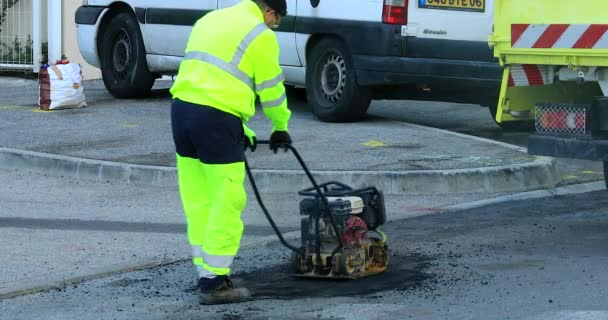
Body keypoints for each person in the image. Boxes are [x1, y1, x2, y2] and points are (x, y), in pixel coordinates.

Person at [169, 0, 292, 305]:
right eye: (275, 21)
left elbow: (210, 79)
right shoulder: (259, 34)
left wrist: (242, 130)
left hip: (181, 112)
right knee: (227, 200)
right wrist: (280, 127)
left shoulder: (211, 19)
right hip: (215, 119)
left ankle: (204, 271)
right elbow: (272, 88)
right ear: (269, 11)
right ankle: (214, 283)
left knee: (199, 200)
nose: (273, 26)